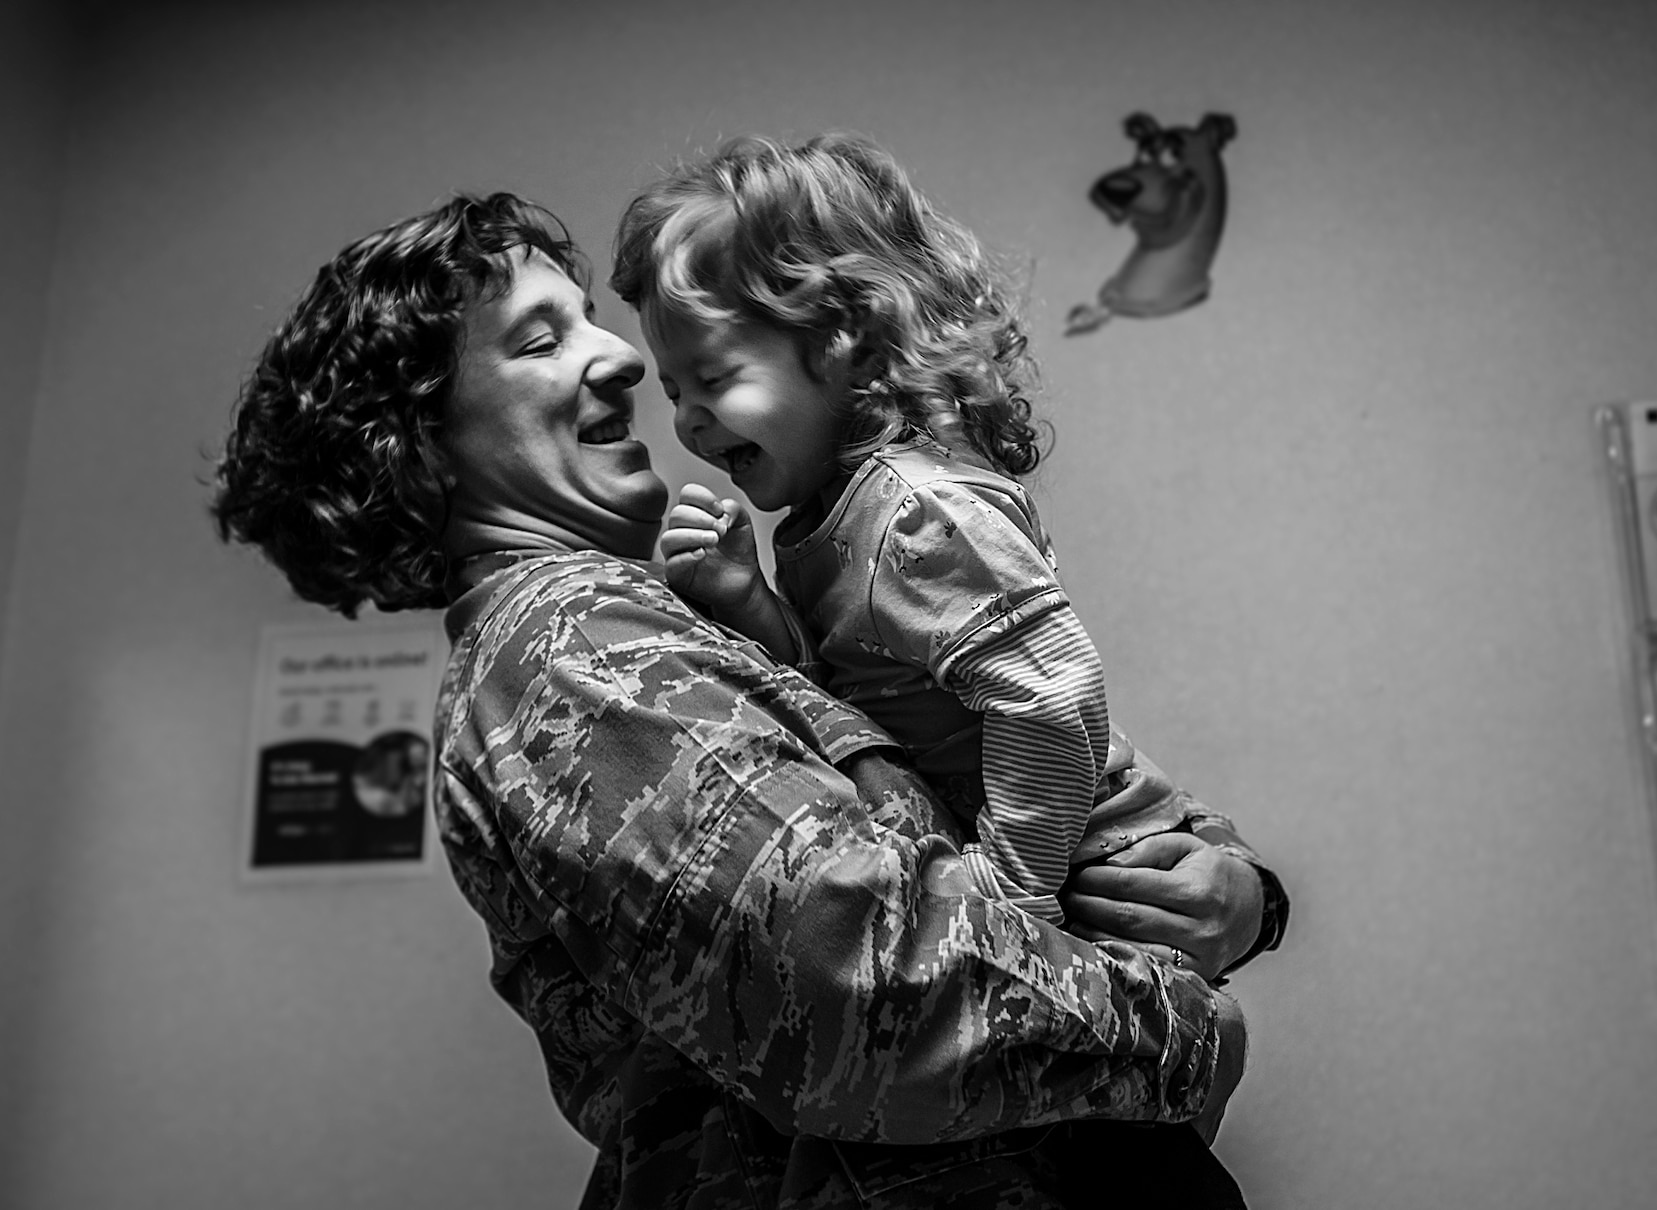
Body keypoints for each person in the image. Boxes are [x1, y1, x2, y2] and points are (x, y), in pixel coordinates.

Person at [209, 192, 1288, 1209]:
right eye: (540, 340)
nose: (625, 356)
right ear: (422, 447)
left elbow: (992, 766)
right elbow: (871, 981)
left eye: (586, 320)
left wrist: (1234, 889)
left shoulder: (669, 622)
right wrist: (1189, 1032)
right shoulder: (572, 649)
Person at [612, 133, 1190, 931]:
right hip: (1042, 862)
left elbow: (1053, 697)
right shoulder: (831, 517)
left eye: (713, 379)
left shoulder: (917, 515)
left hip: (1102, 867)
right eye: (674, 391)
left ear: (845, 344)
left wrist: (1008, 889)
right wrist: (750, 603)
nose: (687, 422)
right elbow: (852, 697)